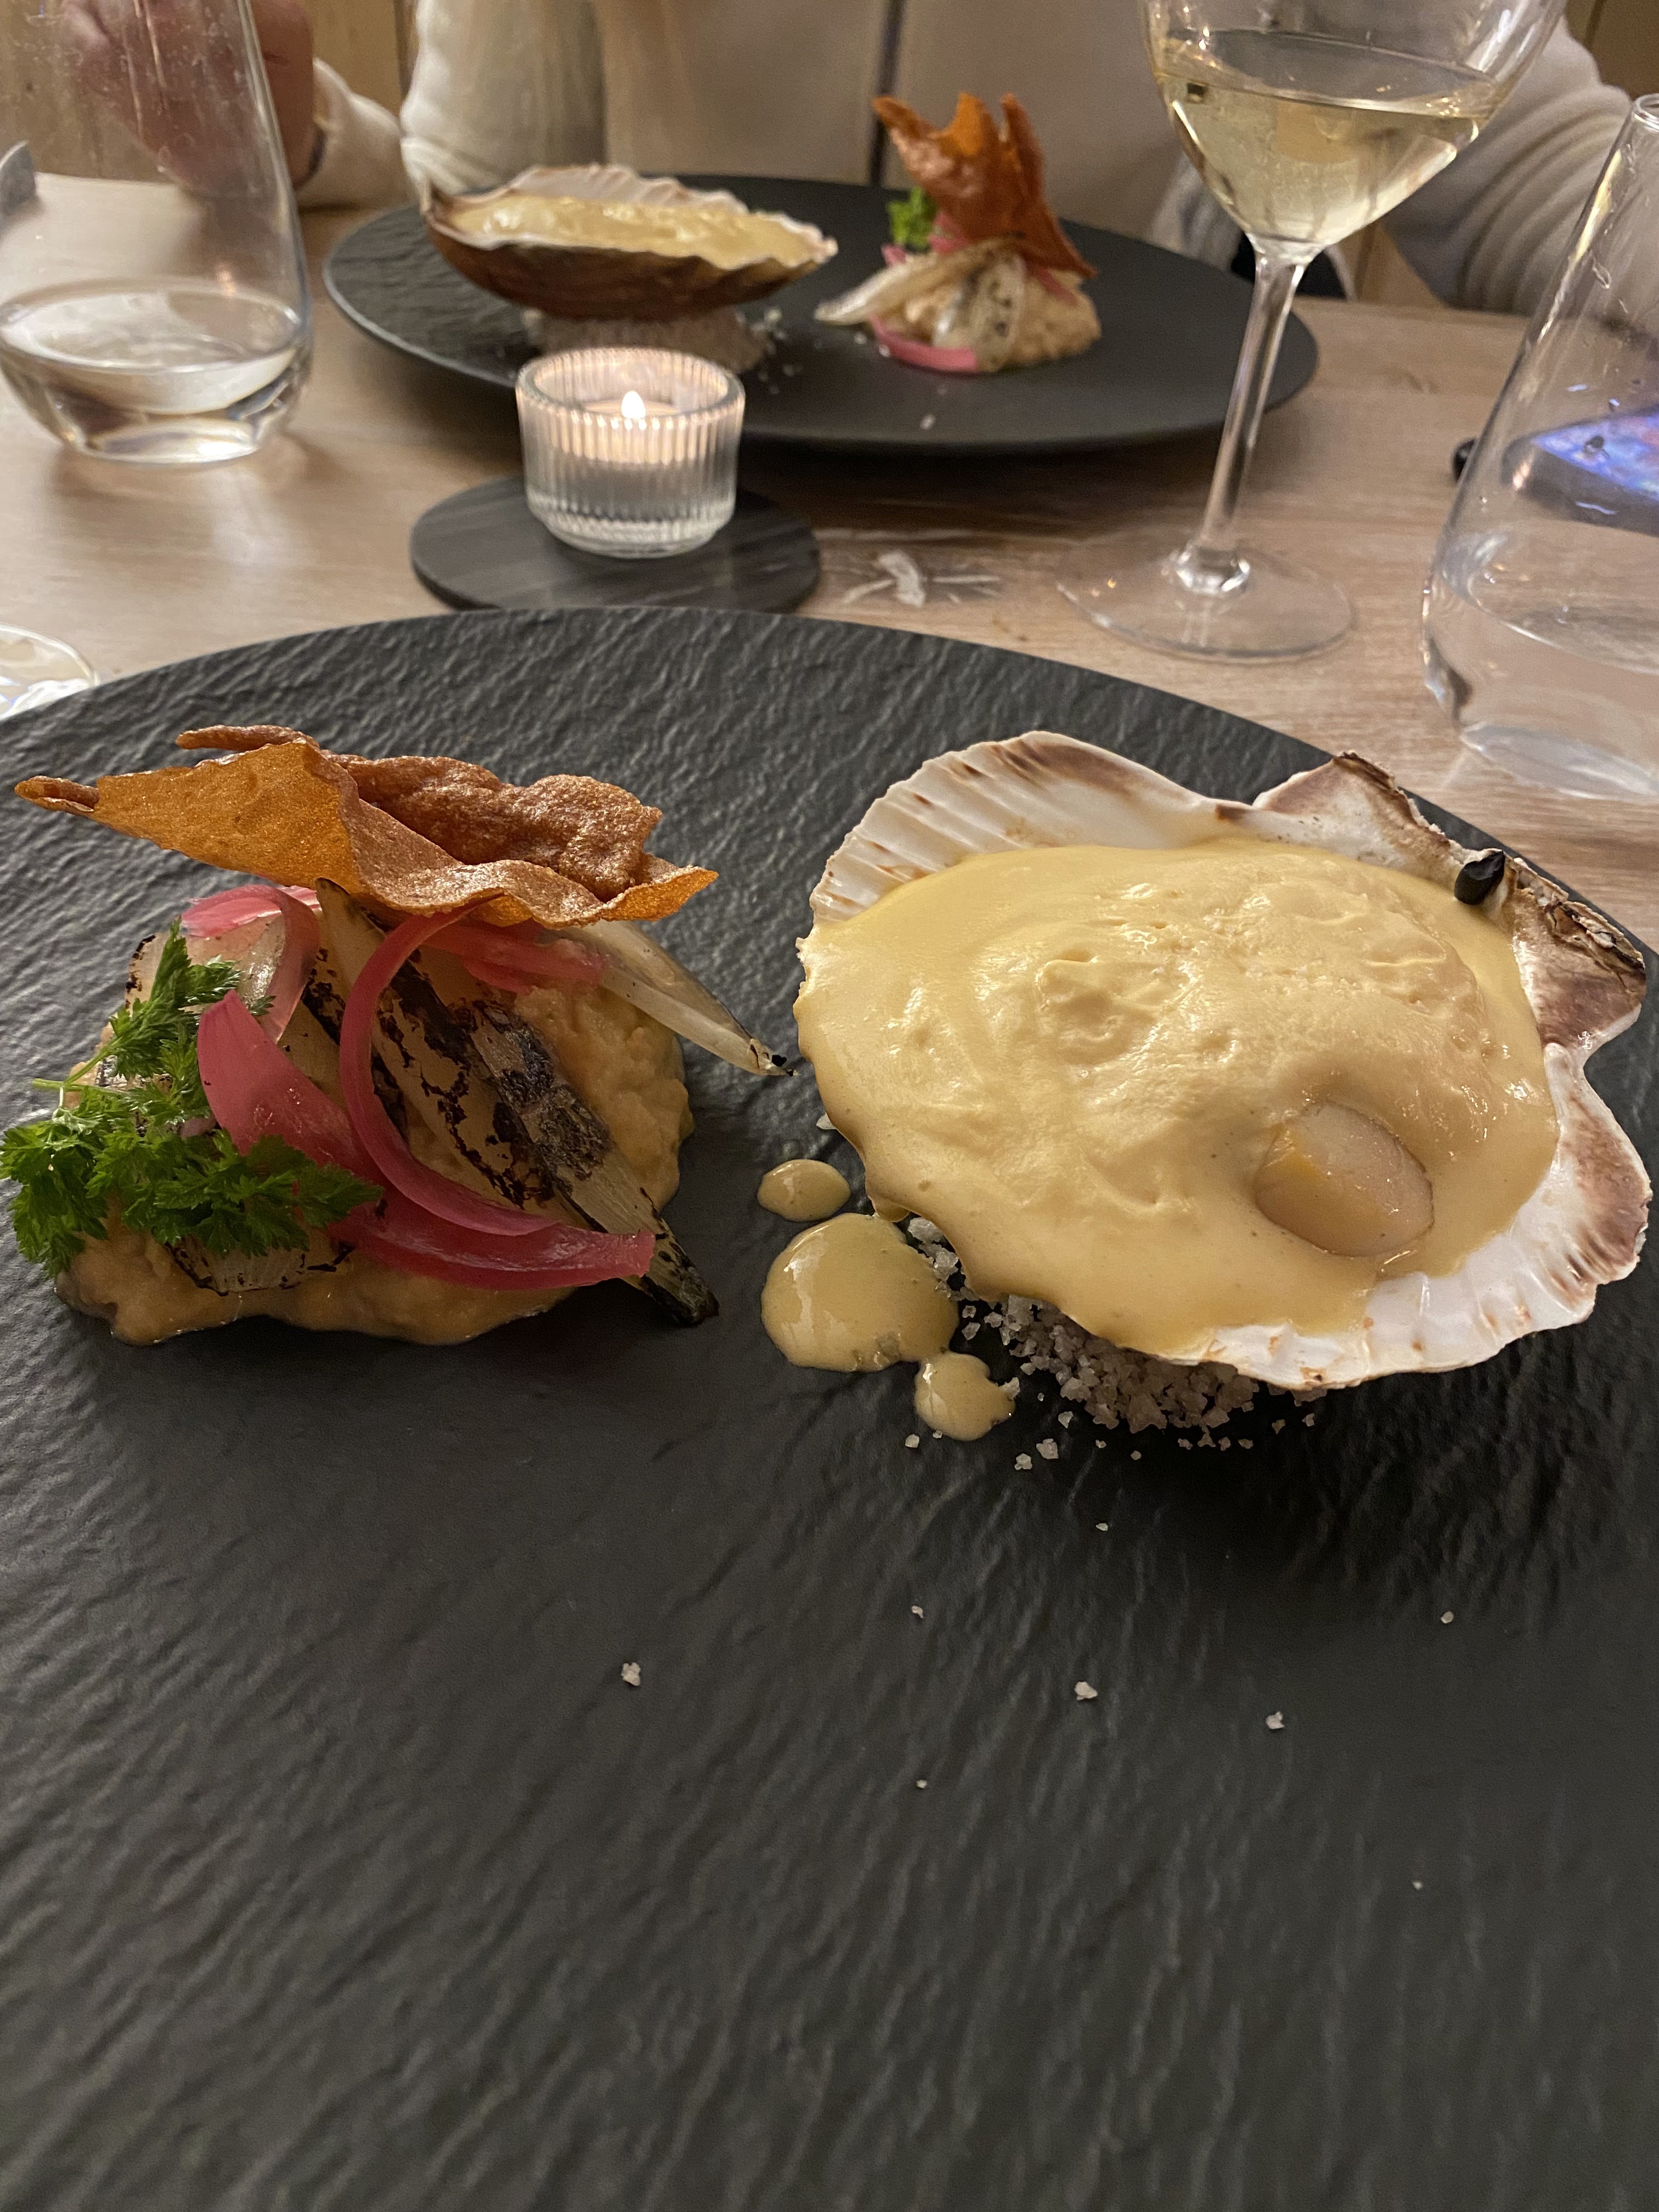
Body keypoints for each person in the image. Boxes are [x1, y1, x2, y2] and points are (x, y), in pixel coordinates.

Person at [271, 0, 1629, 315]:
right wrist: (301, 135)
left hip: (1126, 456)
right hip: (670, 428)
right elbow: (486, 188)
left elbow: (1546, 176)